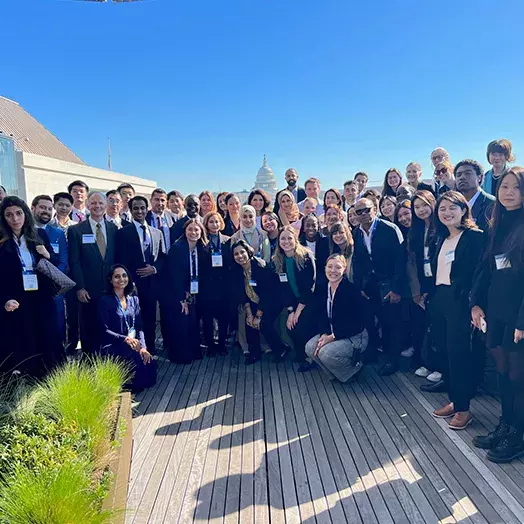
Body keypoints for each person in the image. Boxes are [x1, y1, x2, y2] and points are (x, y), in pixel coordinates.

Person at [471, 168, 524, 462]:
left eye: (516, 188)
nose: (508, 192)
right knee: (504, 374)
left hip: (518, 318)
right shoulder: (497, 226)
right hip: (497, 313)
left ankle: (518, 435)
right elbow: (486, 269)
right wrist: (475, 303)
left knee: (519, 378)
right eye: (504, 186)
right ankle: (506, 425)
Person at [429, 191, 483, 430]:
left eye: (453, 208)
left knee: (459, 353)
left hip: (460, 300)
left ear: (464, 210)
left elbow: (479, 275)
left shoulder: (474, 237)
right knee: (443, 350)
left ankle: (464, 409)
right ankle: (454, 400)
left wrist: (475, 304)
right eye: (442, 209)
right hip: (440, 298)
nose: (447, 213)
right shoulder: (440, 238)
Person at [0, 196, 62, 377]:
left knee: (47, 338)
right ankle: (25, 380)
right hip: (16, 300)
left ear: (26, 214)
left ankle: (48, 380)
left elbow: (54, 265)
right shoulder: (2, 241)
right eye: (9, 215)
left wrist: (47, 254)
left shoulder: (38, 235)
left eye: (19, 213)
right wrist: (4, 299)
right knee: (22, 341)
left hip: (40, 296)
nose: (15, 219)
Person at [353, 198, 406, 375]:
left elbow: (401, 261)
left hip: (389, 284)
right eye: (358, 212)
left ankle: (393, 360)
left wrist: (396, 288)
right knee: (371, 321)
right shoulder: (357, 233)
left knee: (392, 323)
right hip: (370, 286)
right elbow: (358, 261)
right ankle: (373, 352)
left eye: (366, 210)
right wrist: (359, 285)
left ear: (374, 209)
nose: (362, 214)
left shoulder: (390, 229)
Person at [305, 254, 368, 382]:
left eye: (337, 267)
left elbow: (357, 323)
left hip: (354, 336)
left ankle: (353, 371)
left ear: (344, 270)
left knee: (326, 353)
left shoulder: (352, 290)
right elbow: (320, 315)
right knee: (310, 348)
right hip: (332, 332)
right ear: (325, 268)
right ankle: (335, 374)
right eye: (330, 266)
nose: (333, 271)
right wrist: (323, 334)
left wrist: (332, 337)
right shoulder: (322, 288)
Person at [115, 195, 166, 355]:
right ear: (130, 210)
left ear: (147, 209)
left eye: (142, 208)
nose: (139, 211)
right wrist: (129, 282)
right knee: (133, 321)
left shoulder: (156, 233)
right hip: (132, 286)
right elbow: (120, 260)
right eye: (136, 208)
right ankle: (135, 352)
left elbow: (163, 257)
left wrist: (154, 269)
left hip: (152, 285)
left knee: (150, 321)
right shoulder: (123, 233)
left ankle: (149, 351)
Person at [68, 192, 117, 354]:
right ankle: (89, 360)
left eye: (100, 203)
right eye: (93, 203)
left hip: (110, 288)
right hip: (88, 289)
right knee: (88, 327)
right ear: (88, 205)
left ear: (106, 206)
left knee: (110, 326)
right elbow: (74, 262)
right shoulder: (76, 230)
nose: (97, 206)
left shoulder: (113, 229)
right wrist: (80, 287)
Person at [99, 265, 156, 393]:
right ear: (110, 280)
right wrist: (125, 339)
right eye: (117, 276)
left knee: (149, 370)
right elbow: (104, 330)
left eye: (124, 276)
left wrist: (143, 347)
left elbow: (139, 327)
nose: (121, 279)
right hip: (114, 345)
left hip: (133, 344)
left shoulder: (133, 299)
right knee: (134, 383)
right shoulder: (105, 301)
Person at [269, 226, 317, 370]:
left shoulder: (306, 257)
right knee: (290, 325)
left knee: (301, 324)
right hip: (293, 301)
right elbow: (283, 289)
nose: (286, 241)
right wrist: (291, 311)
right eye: (283, 238)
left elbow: (310, 286)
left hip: (310, 300)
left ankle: (310, 357)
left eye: (289, 238)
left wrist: (298, 311)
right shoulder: (278, 260)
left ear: (295, 239)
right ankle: (300, 353)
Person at [230, 240, 283, 364]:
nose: (240, 256)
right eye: (236, 254)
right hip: (254, 301)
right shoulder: (237, 270)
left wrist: (258, 316)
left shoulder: (260, 267)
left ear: (248, 251)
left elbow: (267, 294)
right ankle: (255, 354)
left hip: (271, 302)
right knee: (249, 324)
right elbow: (242, 293)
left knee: (264, 324)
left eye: (242, 252)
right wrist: (249, 314)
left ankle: (280, 349)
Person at [165, 219, 209, 364]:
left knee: (193, 323)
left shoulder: (202, 248)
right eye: (190, 229)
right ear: (185, 231)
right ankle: (181, 356)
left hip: (196, 291)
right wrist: (181, 297)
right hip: (178, 292)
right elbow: (173, 276)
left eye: (196, 230)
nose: (193, 233)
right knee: (182, 323)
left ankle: (194, 352)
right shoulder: (177, 248)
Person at [409, 190, 441, 385]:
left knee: (437, 327)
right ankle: (428, 362)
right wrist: (418, 289)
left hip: (440, 282)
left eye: (424, 205)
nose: (421, 210)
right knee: (424, 325)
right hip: (424, 283)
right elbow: (413, 261)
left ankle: (439, 367)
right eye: (417, 207)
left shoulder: (441, 227)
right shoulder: (417, 230)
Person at [32, 195, 68, 344]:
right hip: (32, 288)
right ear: (33, 208)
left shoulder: (58, 233)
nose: (46, 211)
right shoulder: (24, 231)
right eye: (42, 207)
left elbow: (63, 261)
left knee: (57, 328)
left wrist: (53, 279)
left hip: (53, 288)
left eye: (48, 208)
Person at [201, 212, 231, 356]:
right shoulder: (202, 241)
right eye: (211, 222)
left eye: (217, 221)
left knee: (224, 317)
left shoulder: (228, 240)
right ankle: (210, 345)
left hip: (224, 287)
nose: (215, 224)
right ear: (206, 224)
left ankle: (222, 344)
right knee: (207, 318)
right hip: (207, 287)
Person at [455, 159, 495, 232]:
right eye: (458, 175)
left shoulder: (492, 203)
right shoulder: (454, 205)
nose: (462, 177)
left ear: (479, 177)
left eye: (467, 173)